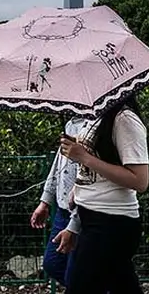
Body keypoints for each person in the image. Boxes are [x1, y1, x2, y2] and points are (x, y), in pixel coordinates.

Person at [59, 95, 149, 294]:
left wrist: (84, 156)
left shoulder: (124, 119)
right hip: (91, 217)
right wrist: (78, 190)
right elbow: (96, 172)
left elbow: (140, 181)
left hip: (111, 223)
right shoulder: (97, 117)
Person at [30, 117, 85, 287]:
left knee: (77, 270)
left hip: (83, 211)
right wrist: (45, 201)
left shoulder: (94, 126)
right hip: (62, 211)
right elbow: (58, 164)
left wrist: (75, 223)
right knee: (52, 264)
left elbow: (90, 177)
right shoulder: (71, 123)